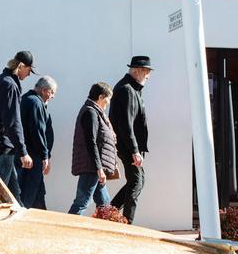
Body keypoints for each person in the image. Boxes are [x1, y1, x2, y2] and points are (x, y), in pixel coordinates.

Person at [0, 51, 35, 200]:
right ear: (21, 66)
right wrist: (23, 152)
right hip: (2, 148)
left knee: (13, 196)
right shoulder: (9, 85)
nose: (29, 75)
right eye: (29, 70)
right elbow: (12, 122)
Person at [109, 55, 152, 224]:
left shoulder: (132, 89)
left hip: (130, 145)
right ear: (137, 71)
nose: (148, 76)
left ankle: (110, 212)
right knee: (136, 181)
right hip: (128, 146)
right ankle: (126, 222)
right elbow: (126, 124)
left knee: (137, 180)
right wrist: (134, 150)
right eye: (146, 72)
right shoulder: (127, 89)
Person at [69, 82, 118, 215]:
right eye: (108, 98)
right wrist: (99, 168)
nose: (108, 102)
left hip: (93, 167)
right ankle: (69, 225)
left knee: (105, 204)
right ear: (101, 97)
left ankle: (107, 225)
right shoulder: (91, 112)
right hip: (91, 167)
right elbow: (91, 142)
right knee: (82, 202)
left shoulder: (95, 112)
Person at [18, 75, 57, 209]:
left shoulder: (28, 100)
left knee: (38, 194)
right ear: (45, 90)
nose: (53, 97)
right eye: (52, 93)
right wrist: (44, 155)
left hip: (31, 155)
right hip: (33, 157)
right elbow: (37, 131)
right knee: (28, 193)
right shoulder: (35, 103)